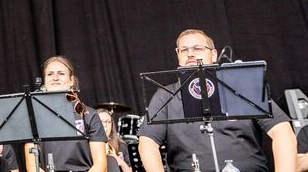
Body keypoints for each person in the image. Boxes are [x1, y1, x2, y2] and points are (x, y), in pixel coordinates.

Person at [138, 29, 297, 172]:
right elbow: (147, 142)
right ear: (178, 55)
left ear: (214, 54)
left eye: (198, 48)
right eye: (184, 50)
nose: (190, 54)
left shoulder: (242, 87)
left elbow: (281, 130)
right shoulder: (165, 95)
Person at [23, 56, 108, 172]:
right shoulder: (34, 116)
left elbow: (100, 164)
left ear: (71, 80)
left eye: (61, 73)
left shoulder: (89, 115)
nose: (55, 78)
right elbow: (32, 165)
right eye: (50, 74)